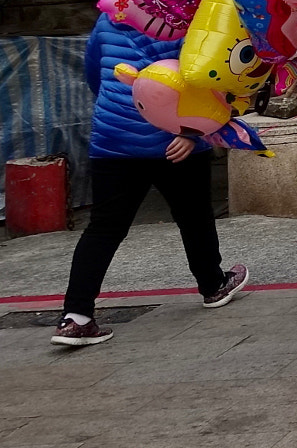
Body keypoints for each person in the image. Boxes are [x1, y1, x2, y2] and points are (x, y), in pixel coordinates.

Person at [52, 17, 251, 346]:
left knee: (103, 228)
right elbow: (207, 78)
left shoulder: (106, 19)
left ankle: (76, 316)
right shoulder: (187, 19)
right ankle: (213, 285)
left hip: (113, 140)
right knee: (194, 217)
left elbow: (94, 75)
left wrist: (123, 113)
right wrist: (193, 132)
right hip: (174, 140)